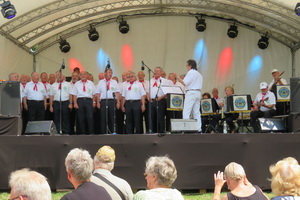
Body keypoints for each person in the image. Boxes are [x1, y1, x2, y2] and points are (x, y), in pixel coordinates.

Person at [177, 59, 203, 133]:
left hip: (191, 92)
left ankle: (186, 129)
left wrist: (178, 77)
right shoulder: (199, 74)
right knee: (196, 112)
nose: (186, 67)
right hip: (198, 92)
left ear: (190, 66)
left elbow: (185, 83)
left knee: (186, 111)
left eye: (187, 65)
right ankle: (199, 129)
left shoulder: (190, 72)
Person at [96, 68, 121, 134]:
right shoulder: (101, 82)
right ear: (105, 73)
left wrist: (118, 102)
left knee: (112, 117)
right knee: (103, 117)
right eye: (109, 72)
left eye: (111, 72)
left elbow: (117, 92)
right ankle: (103, 132)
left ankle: (113, 132)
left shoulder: (114, 82)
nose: (110, 74)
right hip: (103, 101)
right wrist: (98, 102)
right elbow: (98, 93)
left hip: (112, 101)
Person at [149, 67, 173, 133]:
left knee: (160, 117)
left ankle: (161, 131)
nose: (155, 72)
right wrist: (149, 97)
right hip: (152, 101)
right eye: (155, 70)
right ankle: (153, 131)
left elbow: (168, 91)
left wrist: (162, 97)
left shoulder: (165, 81)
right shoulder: (151, 80)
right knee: (152, 117)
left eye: (157, 71)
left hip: (160, 100)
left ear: (161, 72)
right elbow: (148, 91)